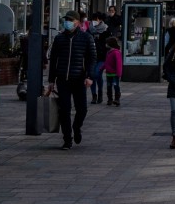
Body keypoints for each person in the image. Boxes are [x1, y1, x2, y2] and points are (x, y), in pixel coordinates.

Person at [46, 11, 96, 150]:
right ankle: (67, 139)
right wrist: (51, 80)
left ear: (78, 22)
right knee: (64, 110)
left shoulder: (86, 38)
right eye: (66, 20)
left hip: (79, 79)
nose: (67, 22)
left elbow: (92, 59)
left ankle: (77, 127)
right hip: (63, 79)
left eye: (70, 20)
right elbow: (53, 60)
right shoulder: (59, 38)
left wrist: (90, 76)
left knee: (82, 109)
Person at [88, 12, 109, 104]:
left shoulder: (106, 30)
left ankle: (100, 93)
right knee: (92, 75)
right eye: (93, 19)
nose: (94, 22)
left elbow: (109, 44)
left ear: (100, 20)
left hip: (102, 57)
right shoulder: (89, 30)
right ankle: (94, 95)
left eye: (96, 20)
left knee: (97, 74)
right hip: (91, 57)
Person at [103, 37, 123, 106]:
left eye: (107, 43)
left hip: (115, 74)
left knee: (115, 86)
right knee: (109, 87)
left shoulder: (116, 53)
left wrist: (119, 73)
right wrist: (101, 69)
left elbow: (118, 63)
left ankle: (117, 99)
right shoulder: (108, 52)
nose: (105, 44)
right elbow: (106, 62)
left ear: (110, 44)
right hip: (108, 74)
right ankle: (110, 99)